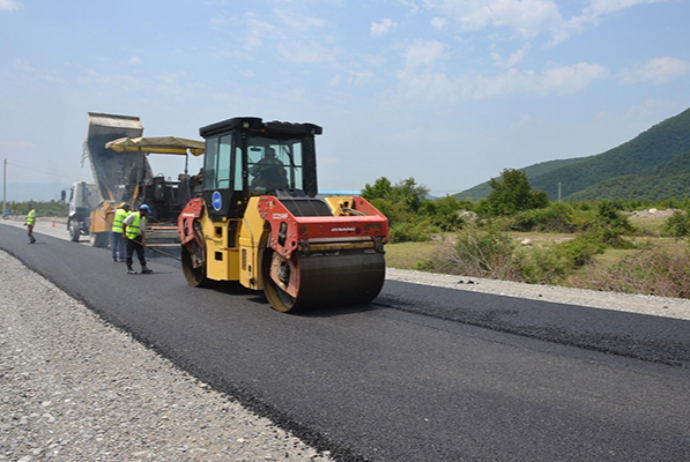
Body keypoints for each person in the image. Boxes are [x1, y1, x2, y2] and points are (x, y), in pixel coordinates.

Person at [122, 204, 152, 275]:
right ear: (142, 211)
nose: (146, 213)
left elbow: (143, 230)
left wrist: (143, 240)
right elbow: (124, 223)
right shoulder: (133, 215)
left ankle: (144, 267)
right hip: (131, 238)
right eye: (146, 212)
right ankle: (129, 268)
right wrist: (124, 233)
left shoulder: (143, 218)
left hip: (138, 238)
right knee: (129, 254)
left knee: (141, 254)